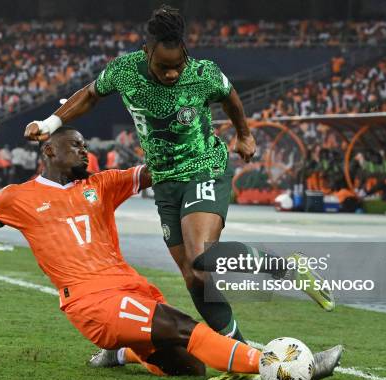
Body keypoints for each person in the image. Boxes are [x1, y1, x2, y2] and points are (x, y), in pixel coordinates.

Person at [0, 127, 342, 380]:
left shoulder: (103, 185)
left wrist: (205, 140)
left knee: (190, 367)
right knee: (188, 327)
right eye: (75, 147)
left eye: (86, 148)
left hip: (129, 287)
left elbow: (158, 170)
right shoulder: (17, 197)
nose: (85, 153)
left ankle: (120, 357)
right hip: (91, 302)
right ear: (48, 150)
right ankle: (282, 368)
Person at [24, 5, 334, 355]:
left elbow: (230, 96)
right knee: (194, 276)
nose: (172, 74)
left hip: (204, 167)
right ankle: (239, 352)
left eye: (177, 65)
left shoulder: (203, 73)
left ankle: (289, 267)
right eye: (163, 67)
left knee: (202, 255)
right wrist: (49, 125)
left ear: (185, 53)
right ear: (147, 52)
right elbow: (91, 94)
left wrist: (244, 134)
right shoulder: (125, 71)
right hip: (165, 182)